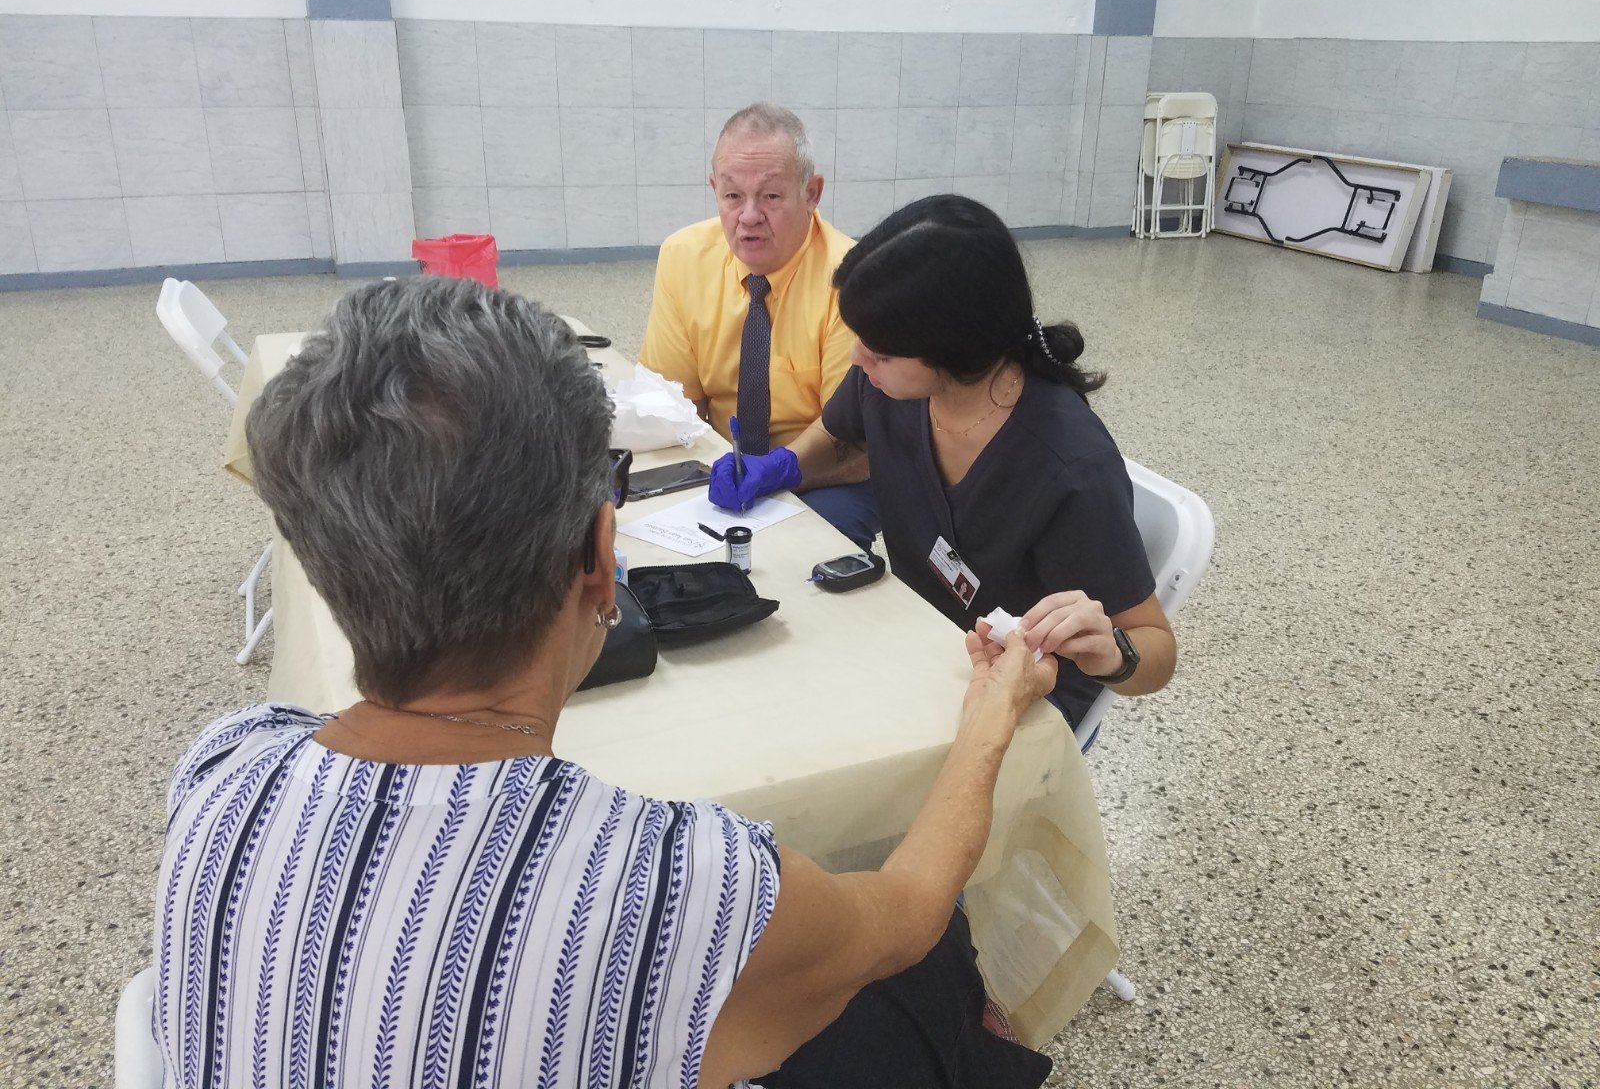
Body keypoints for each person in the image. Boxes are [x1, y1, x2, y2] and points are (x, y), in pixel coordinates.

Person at [152, 275, 1053, 1088]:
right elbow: (905, 916)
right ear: (599, 554)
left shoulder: (222, 768)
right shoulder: (684, 887)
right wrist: (991, 715)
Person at [708, 196, 1177, 729]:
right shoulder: (889, 383)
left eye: (880, 351)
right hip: (916, 639)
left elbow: (1155, 649)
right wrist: (785, 464)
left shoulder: (1069, 468)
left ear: (955, 347)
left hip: (1016, 700)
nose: (859, 358)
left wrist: (1113, 653)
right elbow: (837, 434)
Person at [638, 102, 876, 550]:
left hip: (827, 473)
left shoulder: (851, 277)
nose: (748, 216)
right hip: (724, 464)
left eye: (770, 197)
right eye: (732, 196)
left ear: (812, 192)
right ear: (714, 189)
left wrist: (780, 469)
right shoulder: (683, 256)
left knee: (804, 553)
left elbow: (857, 443)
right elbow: (674, 405)